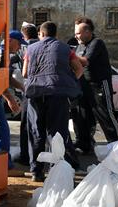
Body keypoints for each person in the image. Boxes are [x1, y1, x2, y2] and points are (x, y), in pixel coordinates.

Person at [22, 21, 84, 182]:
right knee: (57, 133)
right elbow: (79, 69)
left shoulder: (30, 49)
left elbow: (24, 73)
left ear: (41, 34)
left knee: (36, 132)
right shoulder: (66, 49)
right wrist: (68, 81)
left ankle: (36, 171)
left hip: (36, 94)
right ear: (56, 34)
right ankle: (56, 169)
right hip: (58, 94)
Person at [71, 17, 118, 152]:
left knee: (105, 114)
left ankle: (117, 144)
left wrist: (68, 56)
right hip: (83, 85)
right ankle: (84, 144)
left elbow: (85, 61)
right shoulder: (79, 46)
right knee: (82, 115)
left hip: (99, 85)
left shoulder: (97, 43)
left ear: (88, 32)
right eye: (75, 33)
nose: (76, 36)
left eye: (78, 33)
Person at [0, 31, 23, 162]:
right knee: (0, 129)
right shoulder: (2, 54)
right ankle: (4, 164)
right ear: (11, 40)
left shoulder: (2, 53)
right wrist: (10, 99)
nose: (19, 48)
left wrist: (23, 87)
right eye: (19, 44)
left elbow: (7, 78)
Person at [17, 24, 39, 166]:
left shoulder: (24, 48)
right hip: (45, 88)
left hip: (29, 87)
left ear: (24, 36)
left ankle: (25, 156)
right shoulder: (45, 45)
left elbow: (23, 71)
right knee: (40, 125)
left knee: (26, 124)